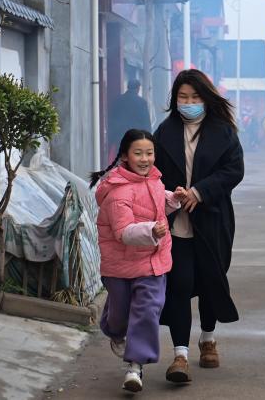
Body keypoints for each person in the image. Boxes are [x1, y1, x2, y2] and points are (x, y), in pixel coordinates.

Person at [153, 69, 245, 382]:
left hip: (212, 221)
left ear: (205, 98)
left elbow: (234, 171)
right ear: (174, 100)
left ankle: (208, 339)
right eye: (183, 97)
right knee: (178, 285)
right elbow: (152, 173)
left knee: (209, 282)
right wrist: (173, 195)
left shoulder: (223, 132)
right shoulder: (164, 133)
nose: (189, 102)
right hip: (175, 223)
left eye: (194, 97)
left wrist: (200, 191)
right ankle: (180, 355)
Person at [90, 129, 185, 393]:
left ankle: (135, 365)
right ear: (125, 156)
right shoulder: (118, 192)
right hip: (120, 266)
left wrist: (173, 200)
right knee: (120, 318)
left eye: (149, 153)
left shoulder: (154, 181)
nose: (145, 159)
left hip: (153, 262)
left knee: (148, 310)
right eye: (138, 153)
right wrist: (151, 231)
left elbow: (154, 204)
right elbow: (122, 232)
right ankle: (113, 326)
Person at [108, 80, 152, 160]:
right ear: (138, 88)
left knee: (121, 161)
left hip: (120, 138)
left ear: (128, 87)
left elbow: (111, 121)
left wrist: (111, 140)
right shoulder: (141, 102)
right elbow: (146, 123)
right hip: (136, 138)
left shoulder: (117, 101)